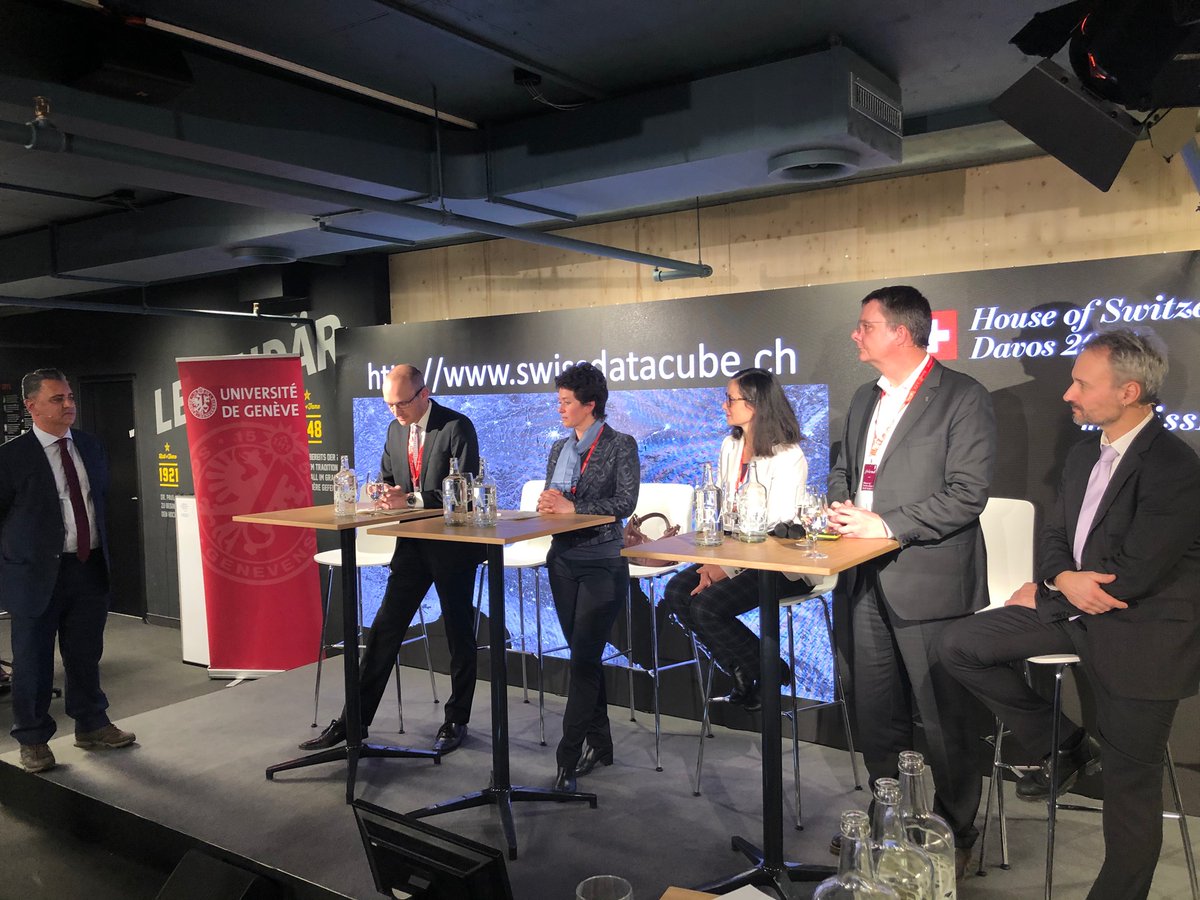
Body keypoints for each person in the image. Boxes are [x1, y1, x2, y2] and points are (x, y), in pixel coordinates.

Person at [938, 329, 1200, 900]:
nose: (1067, 394)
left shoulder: (1175, 466)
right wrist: (1057, 580)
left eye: (1082, 383)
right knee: (960, 645)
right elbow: (1056, 535)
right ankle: (1066, 745)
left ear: (1128, 392)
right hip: (1076, 611)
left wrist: (1055, 590)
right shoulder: (1084, 452)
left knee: (1130, 793)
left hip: (1142, 635)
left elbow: (1133, 576)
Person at [826, 286, 995, 871]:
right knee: (877, 713)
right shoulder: (863, 397)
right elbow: (845, 470)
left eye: (866, 325)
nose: (856, 334)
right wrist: (841, 506)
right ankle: (889, 821)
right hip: (861, 575)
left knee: (944, 717)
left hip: (930, 579)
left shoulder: (962, 396)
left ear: (900, 333)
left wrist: (887, 524)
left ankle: (955, 831)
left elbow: (967, 494)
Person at [302, 364, 484, 755]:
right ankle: (354, 722)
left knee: (458, 632)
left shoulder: (457, 426)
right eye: (389, 405)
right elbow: (391, 478)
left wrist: (411, 500)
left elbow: (464, 490)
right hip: (411, 545)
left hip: (452, 544)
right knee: (384, 630)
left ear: (424, 393)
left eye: (401, 403)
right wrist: (384, 493)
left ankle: (456, 719)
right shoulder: (394, 430)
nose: (395, 411)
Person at [0, 368, 136, 774]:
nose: (69, 405)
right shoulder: (11, 457)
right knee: (33, 660)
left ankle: (91, 724)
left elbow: (98, 503)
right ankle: (33, 739)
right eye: (57, 399)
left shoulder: (90, 446)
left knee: (85, 653)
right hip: (34, 575)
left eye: (70, 397)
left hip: (86, 567)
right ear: (31, 406)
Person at [662, 367, 808, 712]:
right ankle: (752, 669)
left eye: (730, 399)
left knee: (707, 606)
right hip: (735, 553)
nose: (724, 405)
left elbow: (772, 526)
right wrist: (712, 562)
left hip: (778, 563)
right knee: (677, 592)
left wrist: (725, 568)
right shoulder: (731, 445)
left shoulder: (788, 456)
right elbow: (727, 514)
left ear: (755, 404)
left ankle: (762, 672)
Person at [537, 362, 639, 793]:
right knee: (585, 657)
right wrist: (549, 504)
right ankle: (601, 743)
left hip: (602, 561)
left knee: (581, 661)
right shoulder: (559, 448)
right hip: (562, 560)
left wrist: (572, 508)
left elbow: (625, 502)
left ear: (590, 404)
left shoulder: (620, 445)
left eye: (566, 402)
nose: (560, 408)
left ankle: (567, 756)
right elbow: (555, 500)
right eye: (559, 401)